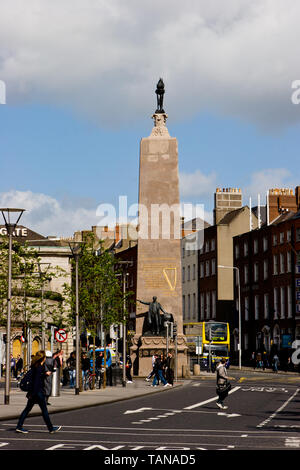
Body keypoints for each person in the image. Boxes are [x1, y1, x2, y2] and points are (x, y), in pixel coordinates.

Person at [16, 350, 61, 434]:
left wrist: (44, 374)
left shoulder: (35, 366)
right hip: (37, 392)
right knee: (44, 411)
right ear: (43, 358)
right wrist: (33, 394)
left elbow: (37, 377)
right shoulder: (39, 367)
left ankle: (19, 426)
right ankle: (51, 428)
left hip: (34, 392)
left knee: (27, 409)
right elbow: (36, 381)